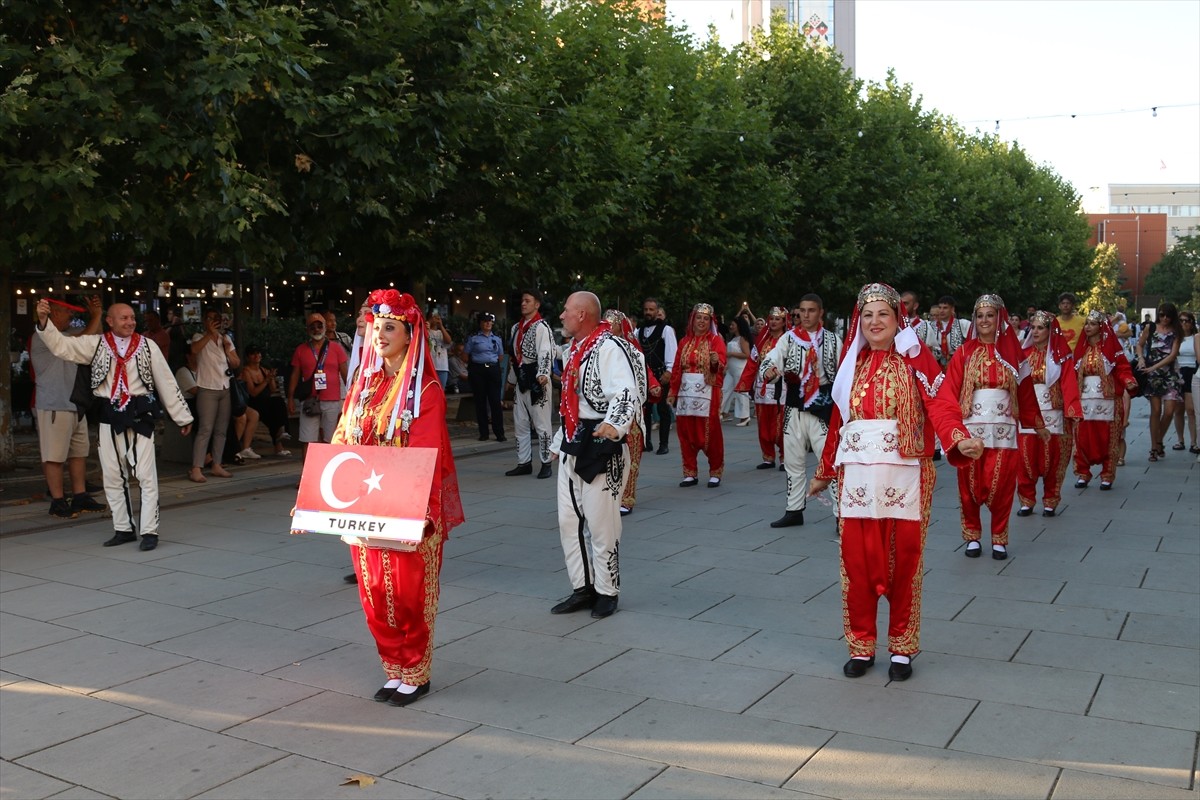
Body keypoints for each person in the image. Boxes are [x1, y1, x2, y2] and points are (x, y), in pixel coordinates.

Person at [808, 283, 980, 681]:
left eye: (882, 314)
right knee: (856, 563)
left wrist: (958, 437)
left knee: (904, 561)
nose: (874, 322)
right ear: (858, 322)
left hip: (905, 476)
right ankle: (861, 645)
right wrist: (824, 472)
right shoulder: (852, 365)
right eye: (867, 315)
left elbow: (941, 402)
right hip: (857, 480)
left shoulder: (914, 359)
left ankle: (902, 646)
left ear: (896, 318)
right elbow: (839, 422)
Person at [320, 289, 464, 706]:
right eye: (374, 327)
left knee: (409, 593)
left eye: (389, 328)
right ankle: (393, 667)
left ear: (409, 334)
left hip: (406, 511)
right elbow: (342, 442)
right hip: (366, 510)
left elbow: (425, 455)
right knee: (373, 594)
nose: (379, 334)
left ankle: (416, 671)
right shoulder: (364, 387)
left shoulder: (425, 392)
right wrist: (320, 497)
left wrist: (417, 510)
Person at [34, 298, 193, 551]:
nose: (130, 322)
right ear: (109, 321)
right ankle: (123, 529)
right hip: (109, 414)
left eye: (132, 317)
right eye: (124, 318)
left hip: (140, 414)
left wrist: (182, 416)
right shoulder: (96, 344)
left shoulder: (147, 346)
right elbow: (62, 347)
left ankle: (150, 531)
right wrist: (44, 322)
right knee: (112, 475)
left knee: (146, 476)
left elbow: (166, 380)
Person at [549, 291, 645, 619]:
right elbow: (571, 406)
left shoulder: (609, 348)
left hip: (601, 444)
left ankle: (607, 591)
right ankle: (583, 588)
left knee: (602, 524)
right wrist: (558, 441)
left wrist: (613, 424)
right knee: (569, 519)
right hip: (574, 441)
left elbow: (625, 392)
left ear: (581, 315)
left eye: (566, 310)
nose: (561, 315)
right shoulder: (574, 349)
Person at [933, 294, 1047, 560]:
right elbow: (950, 390)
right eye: (980, 315)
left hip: (1004, 428)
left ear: (1000, 319)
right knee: (969, 484)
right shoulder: (964, 352)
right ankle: (972, 535)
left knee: (1003, 484)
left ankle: (999, 538)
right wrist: (951, 429)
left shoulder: (1014, 353)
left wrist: (1036, 423)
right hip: (971, 428)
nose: (985, 320)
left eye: (990, 315)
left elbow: (1027, 392)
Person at [759, 293, 841, 527]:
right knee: (793, 462)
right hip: (794, 408)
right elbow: (771, 360)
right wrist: (769, 373)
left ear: (821, 312)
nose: (805, 315)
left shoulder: (834, 341)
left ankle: (840, 514)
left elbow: (845, 372)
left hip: (823, 409)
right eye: (801, 311)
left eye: (811, 310)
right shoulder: (788, 339)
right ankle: (794, 510)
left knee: (829, 462)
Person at [31, 295, 106, 519]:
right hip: (54, 403)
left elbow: (96, 336)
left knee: (78, 453)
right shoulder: (42, 336)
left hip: (74, 403)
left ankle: (80, 495)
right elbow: (85, 338)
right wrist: (97, 315)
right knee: (54, 455)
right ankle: (57, 500)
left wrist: (96, 317)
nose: (71, 315)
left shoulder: (69, 334)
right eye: (67, 312)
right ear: (53, 313)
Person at [1015, 312, 1082, 517]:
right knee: (1026, 457)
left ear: (1050, 331)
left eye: (1040, 328)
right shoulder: (1023, 355)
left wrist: (1072, 409)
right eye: (1032, 327)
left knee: (1053, 458)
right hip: (1028, 412)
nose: (1035, 331)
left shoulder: (1062, 356)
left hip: (1053, 413)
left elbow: (1069, 383)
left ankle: (1050, 499)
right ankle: (1026, 499)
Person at [1073, 310, 1139, 489]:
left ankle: (1107, 474)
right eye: (1086, 323)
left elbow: (1122, 368)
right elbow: (1072, 372)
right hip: (1085, 400)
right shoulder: (1081, 349)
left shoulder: (1111, 348)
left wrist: (1128, 381)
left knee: (1108, 437)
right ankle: (1083, 472)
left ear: (1101, 327)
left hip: (1107, 400)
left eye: (1092, 324)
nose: (1088, 327)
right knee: (1082, 437)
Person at [605, 309, 659, 516]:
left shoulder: (631, 350)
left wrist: (653, 385)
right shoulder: (600, 349)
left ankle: (627, 497)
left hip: (632, 410)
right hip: (607, 410)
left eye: (613, 324)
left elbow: (644, 371)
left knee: (631, 454)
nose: (609, 328)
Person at [669, 303, 727, 487]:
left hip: (708, 393)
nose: (701, 321)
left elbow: (721, 365)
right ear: (692, 320)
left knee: (710, 432)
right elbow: (677, 368)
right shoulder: (684, 342)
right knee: (685, 432)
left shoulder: (716, 341)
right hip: (686, 394)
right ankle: (690, 472)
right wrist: (673, 391)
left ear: (710, 321)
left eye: (705, 318)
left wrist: (715, 362)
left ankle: (715, 470)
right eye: (698, 317)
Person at [504, 290, 554, 478]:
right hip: (521, 380)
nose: (523, 304)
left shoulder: (542, 327)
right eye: (522, 301)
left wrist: (543, 373)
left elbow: (545, 352)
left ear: (537, 304)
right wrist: (511, 380)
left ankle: (546, 461)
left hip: (537, 381)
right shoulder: (516, 328)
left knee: (541, 424)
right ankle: (524, 462)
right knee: (521, 423)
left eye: (528, 301)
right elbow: (515, 358)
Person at [288, 312, 350, 462]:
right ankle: (305, 477)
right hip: (310, 400)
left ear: (324, 327)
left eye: (319, 325)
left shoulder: (336, 348)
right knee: (308, 441)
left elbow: (345, 374)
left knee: (331, 440)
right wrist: (290, 398)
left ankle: (329, 475)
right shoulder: (301, 350)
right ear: (307, 329)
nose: (316, 329)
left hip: (333, 400)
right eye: (312, 326)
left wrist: (350, 397)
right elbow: (295, 375)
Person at [188, 309, 240, 482]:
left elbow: (236, 362)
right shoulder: (198, 337)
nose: (214, 322)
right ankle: (196, 467)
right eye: (210, 319)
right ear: (205, 321)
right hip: (207, 387)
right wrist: (209, 334)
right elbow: (194, 350)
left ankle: (217, 464)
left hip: (224, 386)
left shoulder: (225, 339)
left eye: (216, 319)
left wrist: (227, 349)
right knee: (205, 428)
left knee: (221, 429)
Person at [737, 306, 787, 469]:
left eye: (777, 319)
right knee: (763, 425)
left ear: (784, 322)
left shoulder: (788, 341)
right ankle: (768, 457)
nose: (773, 322)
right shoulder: (761, 341)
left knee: (779, 427)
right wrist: (744, 383)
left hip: (781, 388)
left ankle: (785, 458)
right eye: (771, 318)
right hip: (762, 388)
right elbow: (752, 364)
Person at [1135, 302, 1183, 461]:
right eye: (1162, 315)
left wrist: (1153, 366)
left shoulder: (1176, 331)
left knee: (1169, 411)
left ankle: (1158, 440)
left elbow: (1173, 355)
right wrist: (1141, 359)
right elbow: (1140, 345)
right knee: (1156, 411)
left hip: (1169, 373)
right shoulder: (1151, 328)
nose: (1165, 318)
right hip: (1153, 374)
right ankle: (1154, 447)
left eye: (1168, 316)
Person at [638, 297, 677, 455]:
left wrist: (669, 371)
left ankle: (664, 443)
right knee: (645, 409)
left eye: (651, 310)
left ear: (657, 311)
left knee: (662, 408)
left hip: (661, 374)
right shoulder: (639, 331)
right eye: (646, 309)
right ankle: (646, 441)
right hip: (644, 376)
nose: (648, 312)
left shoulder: (666, 330)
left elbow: (672, 351)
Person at [240, 346, 290, 456]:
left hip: (265, 402)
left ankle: (282, 431)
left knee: (277, 403)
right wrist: (266, 380)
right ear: (248, 357)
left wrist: (271, 378)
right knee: (273, 411)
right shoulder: (246, 371)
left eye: (258, 353)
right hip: (252, 403)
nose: (256, 356)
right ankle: (279, 440)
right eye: (253, 354)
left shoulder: (263, 370)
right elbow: (253, 392)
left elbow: (272, 389)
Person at [464, 312, 506, 442]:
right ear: (480, 323)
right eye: (485, 321)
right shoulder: (474, 338)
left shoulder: (497, 338)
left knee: (495, 402)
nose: (488, 323)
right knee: (480, 402)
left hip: (493, 369)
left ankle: (499, 433)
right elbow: (466, 355)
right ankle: (484, 433)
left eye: (490, 321)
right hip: (478, 370)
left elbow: (500, 356)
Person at [1169, 310, 1198, 453]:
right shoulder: (1175, 338)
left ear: (1192, 323)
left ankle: (1194, 442)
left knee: (1191, 409)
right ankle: (1180, 440)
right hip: (1178, 372)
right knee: (1178, 409)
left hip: (1191, 372)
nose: (1184, 323)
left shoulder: (1196, 338)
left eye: (1187, 320)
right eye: (1181, 320)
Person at [721, 313, 751, 425]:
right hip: (731, 369)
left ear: (738, 326)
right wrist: (726, 366)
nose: (731, 327)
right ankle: (721, 411)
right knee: (724, 390)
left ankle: (744, 416)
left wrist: (731, 353)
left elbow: (747, 354)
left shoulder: (743, 339)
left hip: (740, 368)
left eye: (733, 325)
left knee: (741, 392)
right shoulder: (734, 338)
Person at [427, 311, 452, 388]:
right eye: (434, 317)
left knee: (441, 390)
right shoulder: (426, 330)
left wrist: (441, 326)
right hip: (430, 366)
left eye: (438, 317)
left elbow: (448, 341)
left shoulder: (442, 332)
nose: (436, 319)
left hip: (442, 367)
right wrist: (429, 324)